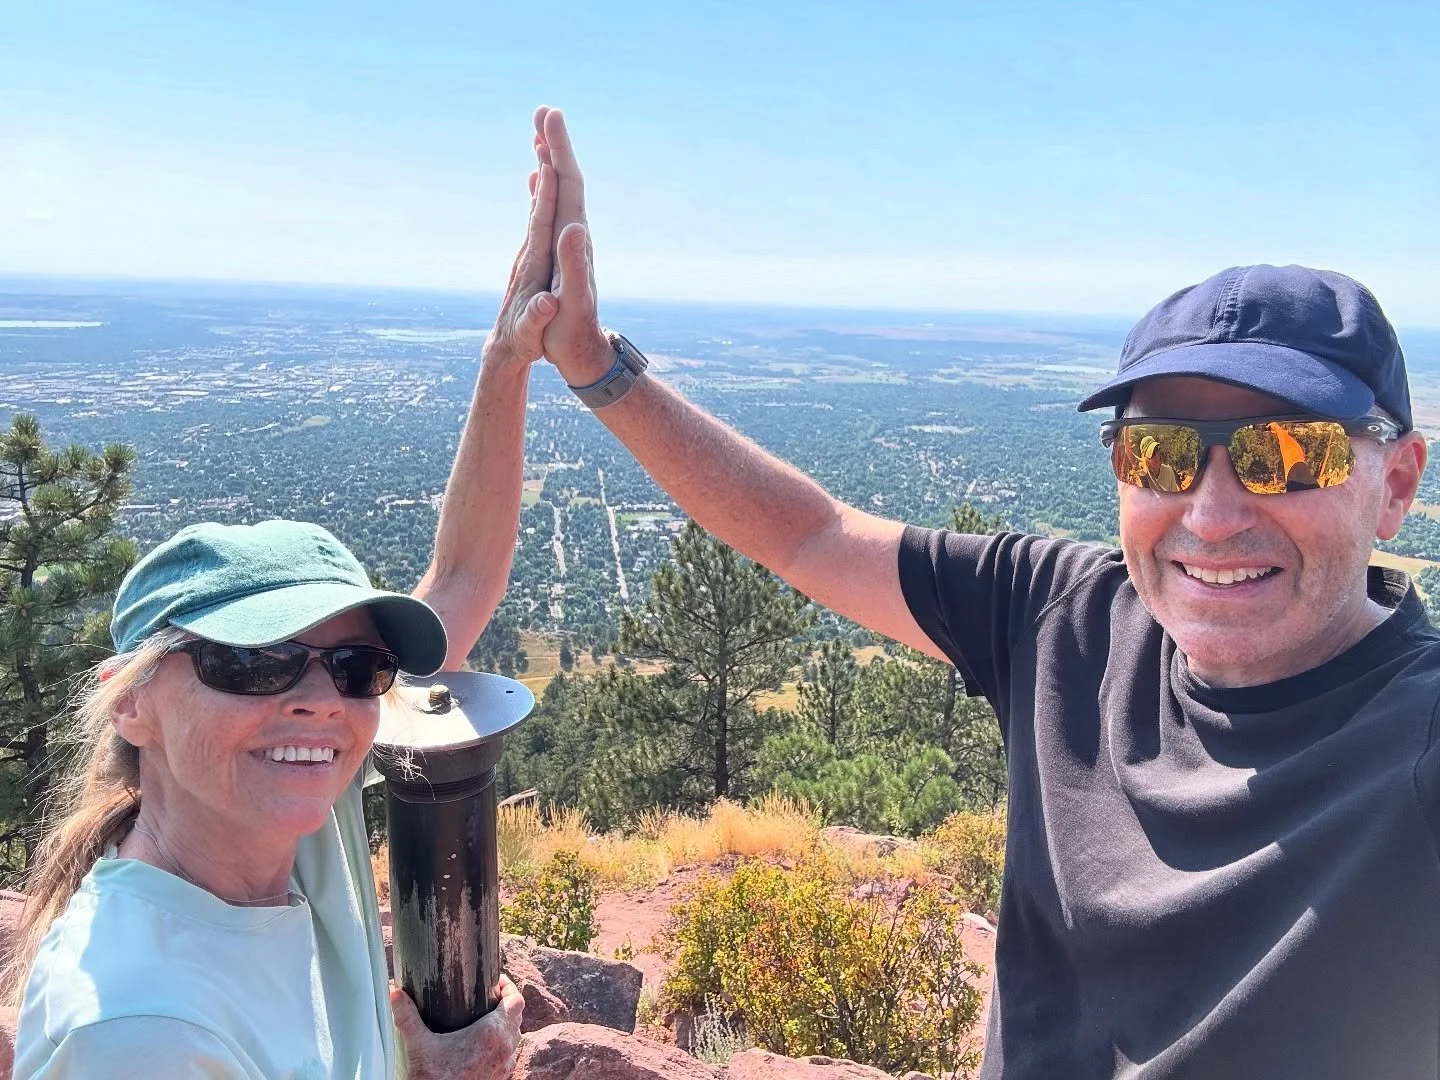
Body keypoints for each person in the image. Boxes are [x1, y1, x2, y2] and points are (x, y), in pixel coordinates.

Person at [527, 108, 1436, 1078]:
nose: (1211, 514)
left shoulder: (1413, 747)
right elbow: (809, 532)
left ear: (1395, 483)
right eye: (1160, 451)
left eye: (1287, 453)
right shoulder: (1063, 618)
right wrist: (594, 366)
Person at [3, 116, 569, 1079]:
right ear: (131, 699)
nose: (316, 700)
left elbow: (463, 581)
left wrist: (509, 357)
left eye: (355, 666)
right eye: (250, 661)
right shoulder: (142, 1033)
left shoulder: (287, 816)